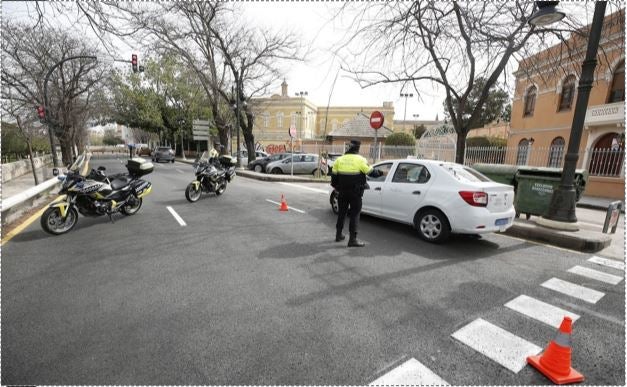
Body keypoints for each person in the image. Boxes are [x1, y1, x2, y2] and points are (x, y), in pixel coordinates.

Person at [331, 139, 382, 247]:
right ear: (358, 148)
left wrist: (338, 188)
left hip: (342, 193)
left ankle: (338, 235)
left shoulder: (339, 160)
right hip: (356, 193)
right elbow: (371, 172)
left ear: (348, 147)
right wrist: (381, 172)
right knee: (354, 215)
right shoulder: (360, 160)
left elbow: (333, 180)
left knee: (341, 214)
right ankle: (352, 240)